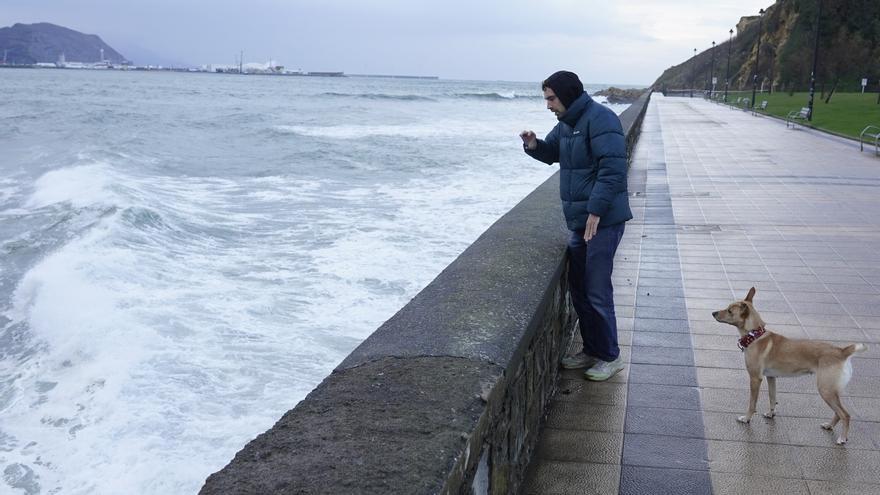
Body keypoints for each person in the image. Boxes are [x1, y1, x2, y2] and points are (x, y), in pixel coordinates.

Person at [520, 70, 632, 381]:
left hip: (603, 222)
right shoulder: (567, 124)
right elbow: (553, 152)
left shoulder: (601, 120)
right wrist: (533, 145)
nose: (548, 105)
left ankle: (611, 356)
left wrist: (595, 212)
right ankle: (592, 349)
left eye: (551, 98)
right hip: (581, 223)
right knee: (580, 290)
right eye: (546, 99)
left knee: (597, 290)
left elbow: (612, 170)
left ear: (567, 95)